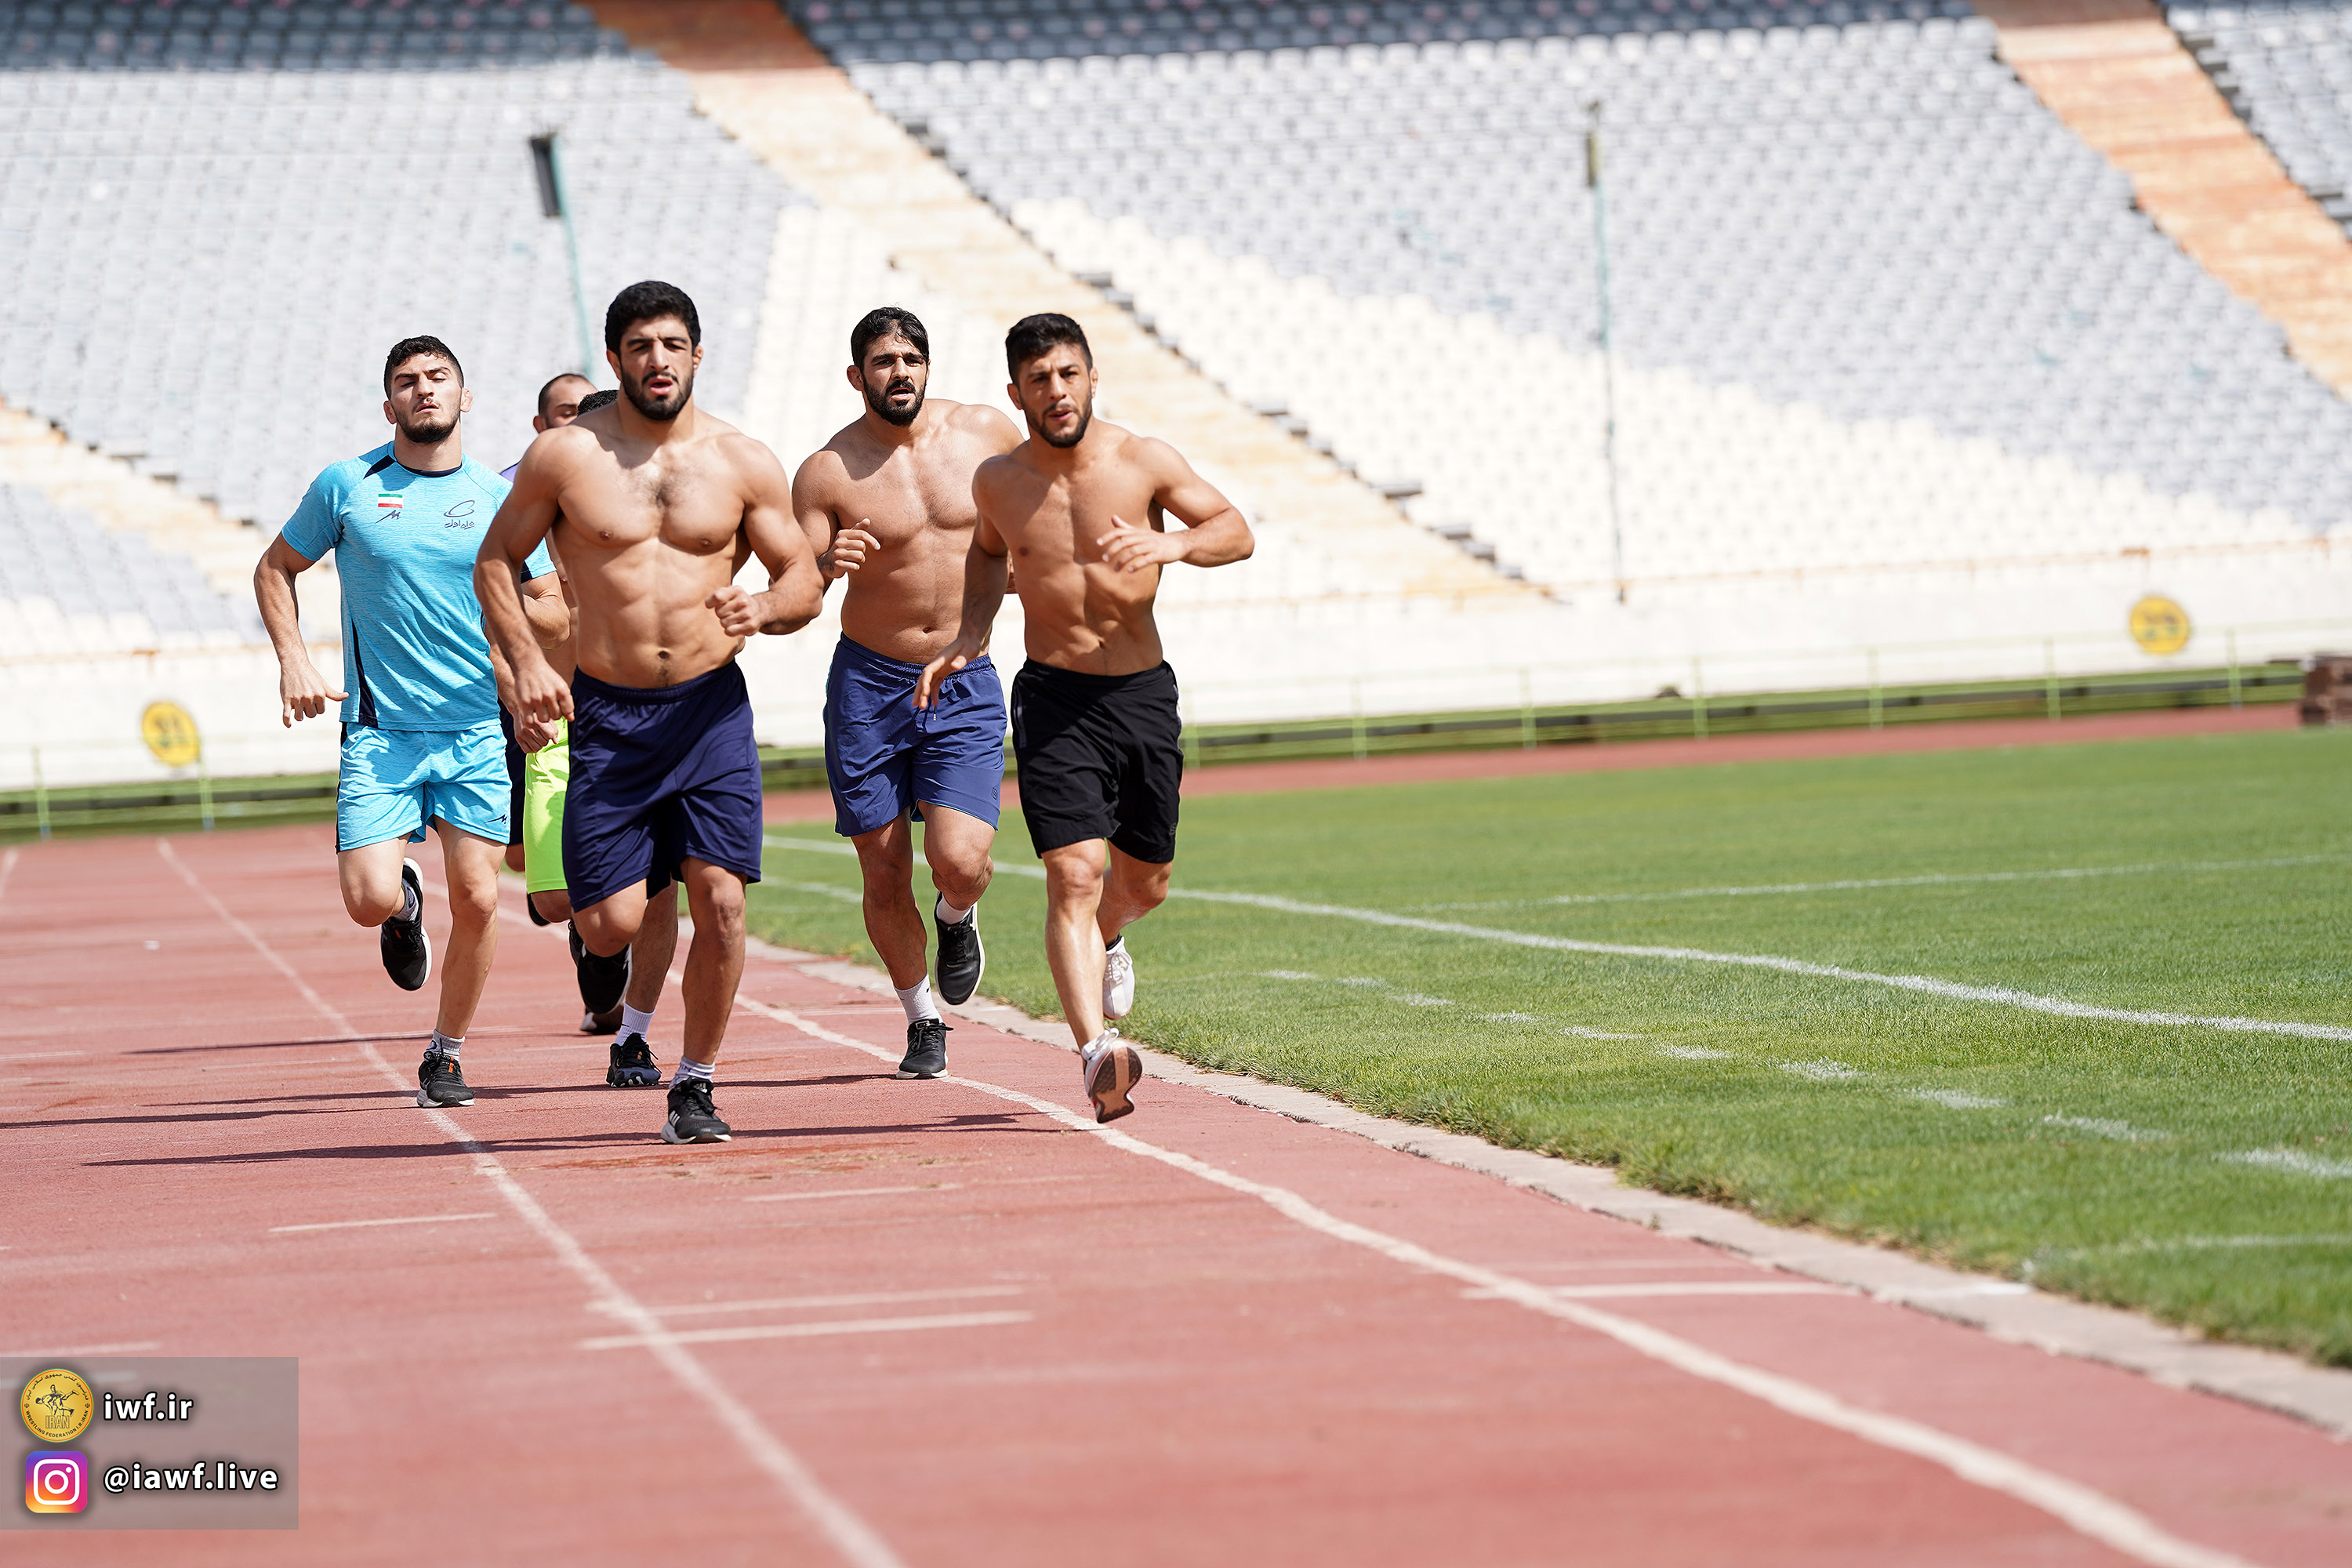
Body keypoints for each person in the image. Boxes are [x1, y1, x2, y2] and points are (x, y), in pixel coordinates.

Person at [477, 281, 824, 1145]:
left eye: (672, 344)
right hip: (610, 716)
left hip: (709, 713)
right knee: (609, 926)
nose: (657, 360)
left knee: (725, 905)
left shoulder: (743, 460)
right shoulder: (566, 458)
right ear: (616, 358)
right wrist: (528, 664)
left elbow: (803, 577)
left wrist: (766, 607)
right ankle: (634, 892)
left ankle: (695, 1084)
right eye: (640, 346)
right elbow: (494, 561)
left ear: (697, 355)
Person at [916, 314, 1253, 1123]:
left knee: (1146, 884)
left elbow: (1234, 531)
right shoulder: (998, 481)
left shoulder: (1143, 460)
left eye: (1068, 374)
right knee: (1074, 871)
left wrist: (1172, 548)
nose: (1057, 391)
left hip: (1141, 694)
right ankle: (1097, 1052)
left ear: (1092, 378)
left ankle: (1111, 935)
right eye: (1039, 379)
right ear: (1016, 393)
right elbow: (986, 554)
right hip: (1054, 698)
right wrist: (970, 633)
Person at [256, 335, 562, 1110]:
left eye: (438, 377)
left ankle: (445, 1054)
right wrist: (293, 659)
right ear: (388, 403)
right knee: (366, 899)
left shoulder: (499, 498)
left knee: (482, 899)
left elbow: (552, 606)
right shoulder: (348, 485)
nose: (424, 389)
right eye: (407, 381)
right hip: (380, 732)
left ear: (465, 396)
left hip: (476, 730)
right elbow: (275, 568)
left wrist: (515, 629)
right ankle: (403, 905)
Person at [792, 307, 1022, 1080]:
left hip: (961, 676)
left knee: (960, 859)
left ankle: (957, 914)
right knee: (884, 869)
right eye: (884, 361)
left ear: (928, 365)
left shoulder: (985, 432)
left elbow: (1041, 513)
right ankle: (923, 1018)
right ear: (857, 375)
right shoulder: (828, 471)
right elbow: (796, 593)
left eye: (911, 359)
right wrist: (825, 565)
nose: (900, 373)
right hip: (869, 683)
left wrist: (1027, 569)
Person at [502, 386, 681, 1087]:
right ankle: (598, 933)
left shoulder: (671, 510)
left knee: (666, 895)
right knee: (554, 900)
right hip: (560, 722)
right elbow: (487, 593)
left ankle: (634, 1037)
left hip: (651, 723)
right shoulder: (529, 511)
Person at [497, 373, 597, 878]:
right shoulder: (508, 494)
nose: (578, 421)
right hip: (540, 692)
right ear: (540, 424)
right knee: (520, 855)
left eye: (587, 409)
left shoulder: (625, 490)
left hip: (611, 694)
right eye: (565, 412)